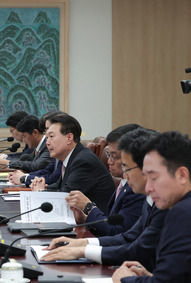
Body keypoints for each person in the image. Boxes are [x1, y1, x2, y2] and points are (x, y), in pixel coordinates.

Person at [112, 131, 191, 283]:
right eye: (145, 178)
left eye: (153, 178)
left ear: (182, 174)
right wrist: (152, 277)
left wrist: (126, 281)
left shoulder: (182, 213)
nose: (148, 188)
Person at [41, 128, 166, 272]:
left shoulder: (167, 204)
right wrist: (83, 243)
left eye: (126, 166)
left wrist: (83, 250)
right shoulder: (150, 198)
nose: (124, 174)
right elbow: (128, 238)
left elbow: (138, 249)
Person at [62, 124, 145, 236]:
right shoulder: (124, 182)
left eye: (115, 157)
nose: (109, 161)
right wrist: (85, 219)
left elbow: (117, 232)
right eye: (108, 155)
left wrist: (88, 207)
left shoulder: (137, 188)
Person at [30, 113, 115, 212]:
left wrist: (40, 192)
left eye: (51, 136)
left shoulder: (83, 161)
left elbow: (64, 199)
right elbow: (61, 187)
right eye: (47, 138)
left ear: (69, 138)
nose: (47, 143)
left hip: (94, 224)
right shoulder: (72, 157)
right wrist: (41, 186)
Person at [9, 110, 66, 186]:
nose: (47, 141)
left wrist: (24, 178)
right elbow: (47, 171)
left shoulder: (78, 157)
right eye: (46, 132)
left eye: (51, 135)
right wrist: (25, 176)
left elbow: (53, 179)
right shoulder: (58, 150)